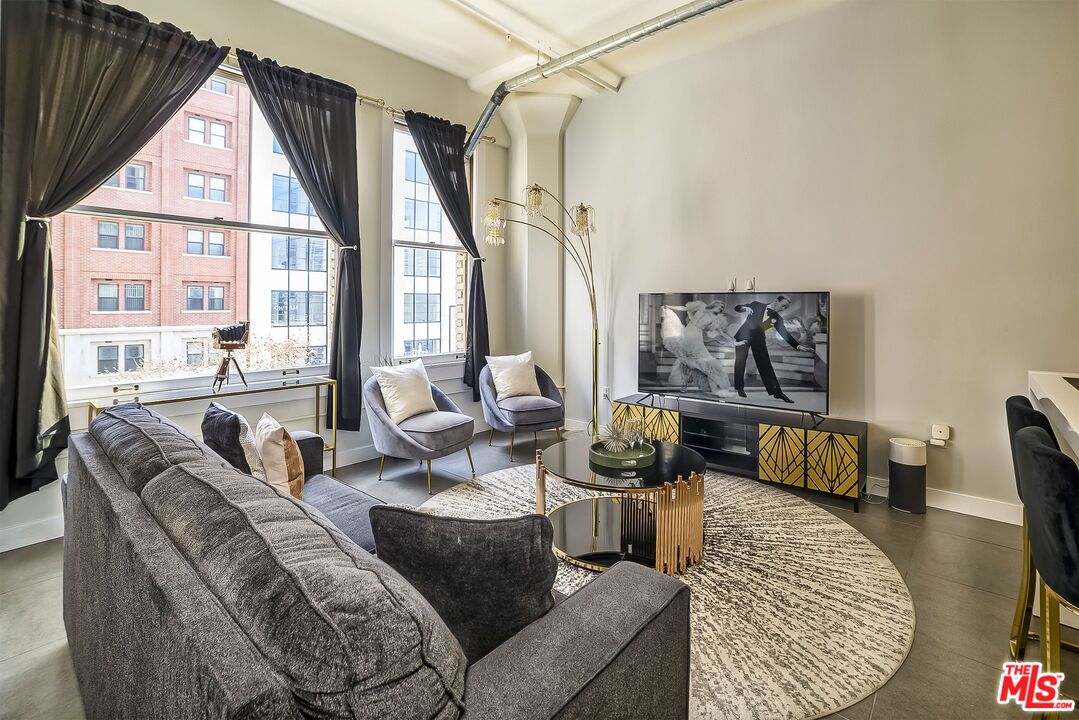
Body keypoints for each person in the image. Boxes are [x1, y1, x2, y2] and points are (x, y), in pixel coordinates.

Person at [732, 295, 811, 404]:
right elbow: (737, 307)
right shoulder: (756, 305)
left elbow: (785, 334)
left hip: (758, 340)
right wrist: (744, 308)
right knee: (740, 362)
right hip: (743, 336)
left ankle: (778, 393)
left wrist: (797, 346)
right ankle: (739, 388)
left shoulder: (777, 318)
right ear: (776, 301)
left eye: (786, 308)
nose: (783, 309)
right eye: (783, 305)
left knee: (766, 365)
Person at [660, 300, 740, 397]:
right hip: (686, 334)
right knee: (686, 360)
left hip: (696, 338)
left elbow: (722, 333)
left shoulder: (715, 319)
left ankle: (718, 387)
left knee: (701, 361)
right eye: (720, 306)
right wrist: (670, 306)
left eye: (722, 308)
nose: (721, 309)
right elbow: (685, 308)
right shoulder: (700, 305)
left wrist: (734, 341)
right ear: (715, 304)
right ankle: (683, 383)